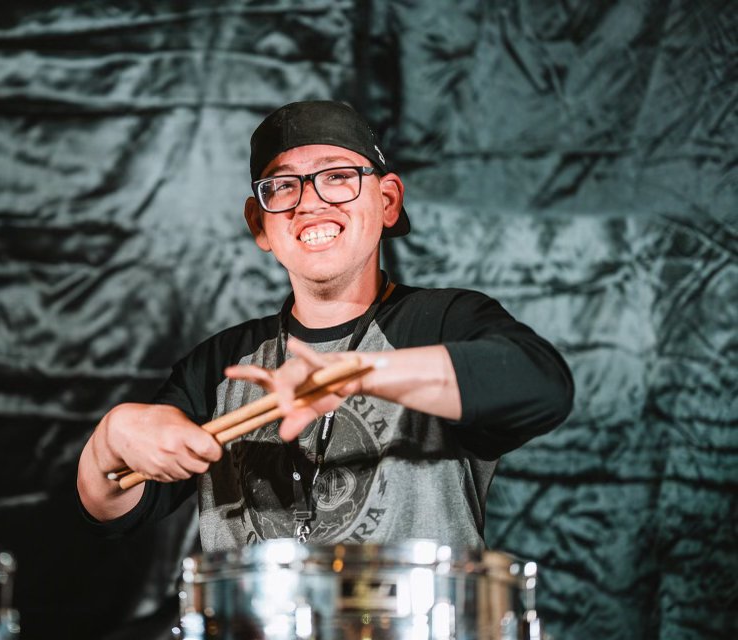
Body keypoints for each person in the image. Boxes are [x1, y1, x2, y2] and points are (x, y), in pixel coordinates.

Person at [77, 100, 574, 553]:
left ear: (388, 201)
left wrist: (355, 374)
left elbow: (542, 385)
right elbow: (112, 507)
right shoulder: (221, 366)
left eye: (337, 176)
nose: (309, 202)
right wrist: (111, 438)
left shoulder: (442, 321)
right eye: (282, 185)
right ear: (259, 223)